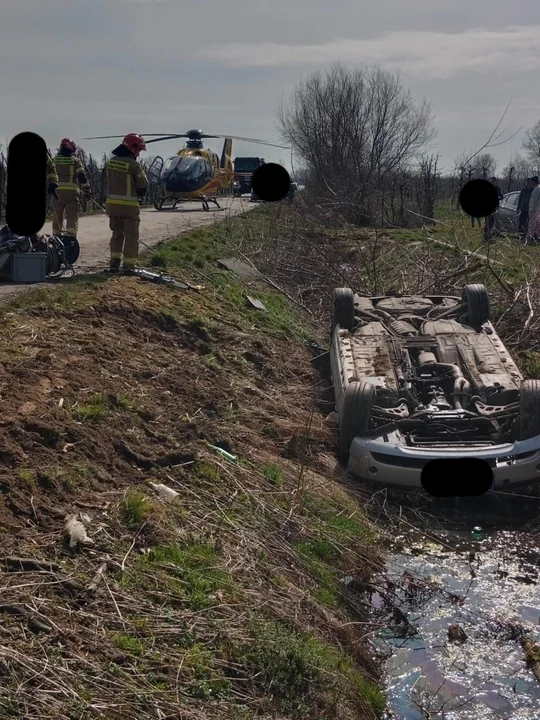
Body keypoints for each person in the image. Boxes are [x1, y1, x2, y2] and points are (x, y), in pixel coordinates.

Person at [104, 133, 148, 274]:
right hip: (129, 207)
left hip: (112, 206)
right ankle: (129, 267)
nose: (139, 154)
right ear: (133, 148)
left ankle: (114, 265)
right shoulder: (134, 165)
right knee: (131, 236)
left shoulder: (110, 162)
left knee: (116, 235)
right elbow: (143, 185)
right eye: (139, 150)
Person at [51, 138, 92, 238]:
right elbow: (82, 176)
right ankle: (71, 240)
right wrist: (88, 189)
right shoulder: (75, 160)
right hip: (72, 194)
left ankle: (57, 240)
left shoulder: (54, 160)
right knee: (72, 218)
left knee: (57, 217)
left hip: (57, 193)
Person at [526, 178, 540, 245]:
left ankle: (532, 238)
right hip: (537, 210)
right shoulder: (537, 188)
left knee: (533, 225)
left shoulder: (537, 189)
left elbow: (534, 201)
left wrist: (531, 209)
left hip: (535, 211)